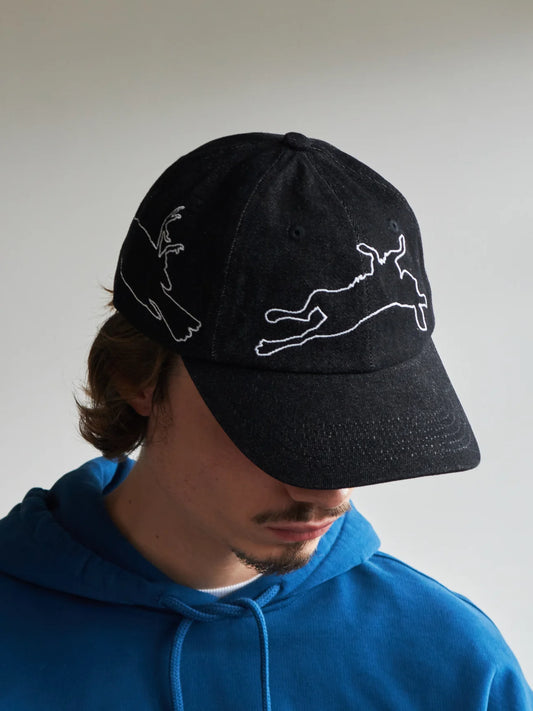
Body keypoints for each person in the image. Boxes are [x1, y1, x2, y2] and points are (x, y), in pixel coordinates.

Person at [0, 131, 531, 710]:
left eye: (365, 431)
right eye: (277, 427)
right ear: (139, 379)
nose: (327, 493)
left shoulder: (455, 667)